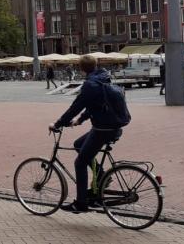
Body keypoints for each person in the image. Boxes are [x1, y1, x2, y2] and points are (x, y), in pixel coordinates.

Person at [49, 54, 131, 213]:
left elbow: (75, 107)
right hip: (113, 126)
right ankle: (100, 175)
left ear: (81, 68)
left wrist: (58, 124)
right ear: (96, 65)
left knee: (80, 163)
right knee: (78, 144)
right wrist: (80, 120)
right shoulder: (103, 78)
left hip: (102, 130)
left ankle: (81, 203)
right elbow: (96, 104)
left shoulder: (90, 85)